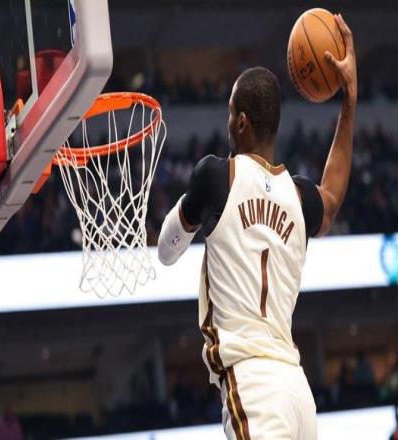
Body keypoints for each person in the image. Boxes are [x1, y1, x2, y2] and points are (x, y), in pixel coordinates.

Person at [158, 14, 357, 440]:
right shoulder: (299, 196)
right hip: (297, 391)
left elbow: (166, 251)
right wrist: (349, 100)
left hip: (253, 385)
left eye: (230, 112)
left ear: (242, 122)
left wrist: (189, 206)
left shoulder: (217, 176)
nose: (228, 121)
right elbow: (333, 198)